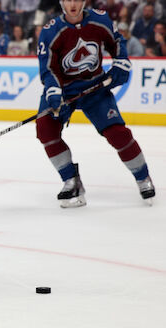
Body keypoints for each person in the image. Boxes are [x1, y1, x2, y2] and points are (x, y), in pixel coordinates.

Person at [36, 0, 155, 208]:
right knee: (45, 129)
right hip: (64, 90)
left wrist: (121, 62)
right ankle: (70, 180)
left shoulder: (101, 20)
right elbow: (48, 69)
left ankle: (143, 177)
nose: (72, 4)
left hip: (95, 87)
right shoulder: (50, 30)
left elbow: (117, 43)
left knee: (118, 133)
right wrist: (54, 92)